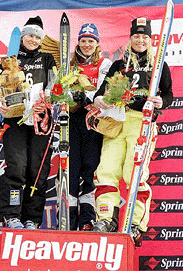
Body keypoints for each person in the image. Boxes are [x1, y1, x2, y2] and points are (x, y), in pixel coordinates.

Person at [92, 17, 173, 246]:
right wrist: (102, 101)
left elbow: (168, 94)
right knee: (106, 170)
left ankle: (136, 222)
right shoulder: (120, 64)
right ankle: (106, 217)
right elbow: (100, 93)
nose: (140, 40)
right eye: (136, 36)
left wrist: (160, 101)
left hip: (142, 122)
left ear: (150, 39)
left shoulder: (158, 64)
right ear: (130, 38)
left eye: (144, 37)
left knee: (134, 173)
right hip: (117, 121)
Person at [0, 16, 56, 229]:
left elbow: (55, 86)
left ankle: (32, 219)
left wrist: (48, 98)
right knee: (17, 169)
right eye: (30, 35)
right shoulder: (10, 59)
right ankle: (11, 214)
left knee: (37, 171)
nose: (33, 40)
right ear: (23, 37)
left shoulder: (47, 59)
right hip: (15, 121)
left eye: (37, 37)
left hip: (40, 121)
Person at [69, 23, 112, 231]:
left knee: (90, 168)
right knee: (70, 168)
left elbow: (104, 90)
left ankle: (87, 217)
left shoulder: (105, 63)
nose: (87, 44)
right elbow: (56, 90)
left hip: (95, 121)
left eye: (91, 41)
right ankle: (67, 216)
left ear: (97, 44)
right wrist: (70, 96)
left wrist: (87, 97)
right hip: (72, 119)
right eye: (83, 40)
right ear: (78, 42)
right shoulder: (68, 64)